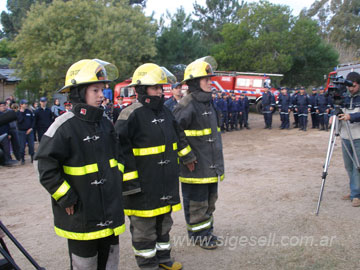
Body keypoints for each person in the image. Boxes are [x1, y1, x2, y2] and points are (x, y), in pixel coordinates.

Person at [35, 59, 125, 269]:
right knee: (84, 264)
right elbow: (44, 167)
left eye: (102, 89)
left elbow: (118, 156)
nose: (102, 95)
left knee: (110, 261)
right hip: (81, 213)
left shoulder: (105, 123)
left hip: (109, 211)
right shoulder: (63, 127)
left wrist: (115, 181)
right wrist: (65, 197)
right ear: (78, 92)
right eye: (95, 90)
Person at [115, 63, 190, 270]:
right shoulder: (130, 114)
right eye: (155, 88)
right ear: (142, 89)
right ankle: (148, 265)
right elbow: (119, 150)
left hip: (164, 182)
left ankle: (164, 260)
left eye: (161, 88)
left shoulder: (166, 113)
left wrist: (188, 157)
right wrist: (129, 182)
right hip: (141, 186)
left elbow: (179, 136)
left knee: (164, 224)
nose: (160, 92)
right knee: (144, 229)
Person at [173, 57, 225, 250]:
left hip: (209, 164)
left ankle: (206, 232)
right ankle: (198, 235)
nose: (211, 83)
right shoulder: (186, 105)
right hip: (194, 166)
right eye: (207, 80)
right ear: (195, 82)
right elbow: (175, 134)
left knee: (210, 201)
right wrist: (187, 156)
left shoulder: (208, 102)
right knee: (196, 203)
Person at [0, 101, 19, 166]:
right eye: (1, 106)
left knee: (6, 148)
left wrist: (8, 133)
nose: (3, 107)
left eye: (4, 106)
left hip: (4, 134)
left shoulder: (4, 115)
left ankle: (7, 160)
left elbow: (7, 126)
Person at [17, 99, 35, 164]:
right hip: (21, 132)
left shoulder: (29, 112)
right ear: (21, 105)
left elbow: (33, 121)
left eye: (26, 104)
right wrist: (22, 112)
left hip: (29, 131)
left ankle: (32, 157)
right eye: (24, 104)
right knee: (22, 146)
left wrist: (31, 128)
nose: (26, 105)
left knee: (31, 145)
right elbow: (19, 121)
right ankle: (22, 159)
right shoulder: (18, 113)